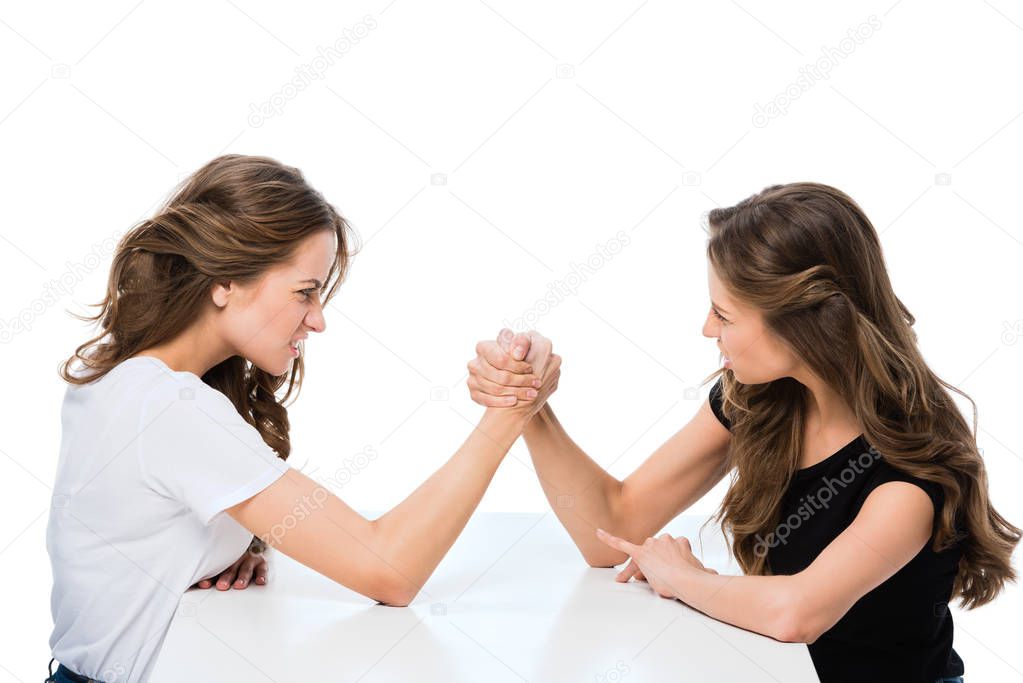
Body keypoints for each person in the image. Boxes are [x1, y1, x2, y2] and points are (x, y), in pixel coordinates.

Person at [466, 182, 1019, 683]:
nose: (707, 329)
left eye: (724, 315)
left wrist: (684, 577)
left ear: (806, 321)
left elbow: (796, 613)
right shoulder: (759, 400)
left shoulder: (909, 475)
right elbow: (608, 529)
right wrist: (528, 404)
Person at [44, 154, 561, 683]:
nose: (317, 319)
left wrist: (239, 538)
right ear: (225, 281)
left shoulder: (122, 374)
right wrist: (511, 410)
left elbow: (144, 520)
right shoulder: (171, 409)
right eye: (304, 292)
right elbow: (391, 571)